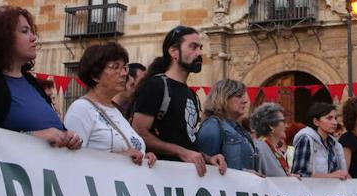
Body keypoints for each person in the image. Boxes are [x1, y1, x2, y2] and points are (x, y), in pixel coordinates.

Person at [0, 6, 81, 149]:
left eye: (32, 32)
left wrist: (68, 136)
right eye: (25, 31)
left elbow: (52, 129)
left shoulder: (31, 82)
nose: (33, 38)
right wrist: (34, 136)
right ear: (2, 38)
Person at [132, 25, 226, 176]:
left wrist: (208, 158)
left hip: (186, 181)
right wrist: (180, 152)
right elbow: (138, 133)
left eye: (200, 47)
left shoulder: (191, 94)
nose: (200, 53)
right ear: (174, 52)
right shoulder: (156, 86)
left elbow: (186, 140)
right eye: (193, 47)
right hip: (160, 179)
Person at [64, 43, 155, 167]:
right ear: (95, 76)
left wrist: (145, 157)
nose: (123, 73)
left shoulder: (116, 111)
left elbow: (131, 151)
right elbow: (70, 160)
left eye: (124, 67)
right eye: (115, 67)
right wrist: (119, 158)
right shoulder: (80, 109)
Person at [195, 79, 256, 172]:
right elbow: (207, 167)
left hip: (243, 185)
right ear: (223, 98)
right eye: (239, 96)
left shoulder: (238, 129)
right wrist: (244, 173)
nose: (245, 101)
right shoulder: (212, 125)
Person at [291, 102, 348, 179]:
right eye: (329, 118)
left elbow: (341, 173)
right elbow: (300, 174)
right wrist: (331, 176)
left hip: (332, 190)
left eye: (335, 118)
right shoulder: (306, 139)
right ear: (316, 121)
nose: (335, 122)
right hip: (311, 190)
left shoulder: (335, 144)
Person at [251, 102, 293, 177]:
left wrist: (289, 178)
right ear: (271, 126)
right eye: (283, 121)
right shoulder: (260, 149)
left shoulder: (276, 149)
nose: (286, 125)